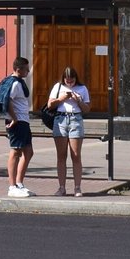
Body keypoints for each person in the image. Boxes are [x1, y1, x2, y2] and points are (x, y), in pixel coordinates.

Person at [48, 65, 90, 196]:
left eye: (72, 80)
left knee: (76, 155)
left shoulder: (82, 88)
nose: (70, 83)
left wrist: (78, 100)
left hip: (75, 120)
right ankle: (61, 187)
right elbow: (49, 105)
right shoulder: (58, 87)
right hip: (60, 119)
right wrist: (61, 99)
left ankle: (77, 187)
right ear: (63, 79)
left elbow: (87, 109)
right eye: (67, 80)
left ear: (76, 78)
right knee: (61, 155)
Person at [3, 56, 34, 198]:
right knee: (15, 151)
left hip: (24, 121)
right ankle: (12, 186)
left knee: (28, 152)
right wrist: (14, 118)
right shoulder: (14, 84)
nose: (28, 71)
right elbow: (7, 100)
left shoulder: (19, 82)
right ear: (18, 69)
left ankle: (19, 183)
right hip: (17, 122)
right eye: (26, 69)